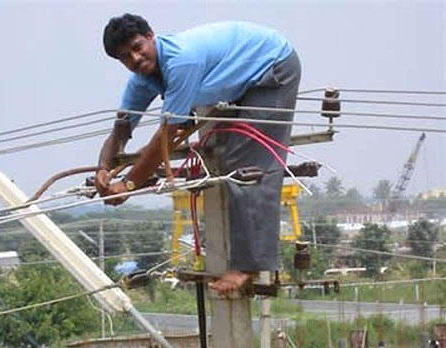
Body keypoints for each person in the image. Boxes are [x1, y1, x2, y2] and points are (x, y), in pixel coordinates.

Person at [95, 13, 301, 294]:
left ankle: (248, 266)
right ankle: (239, 252)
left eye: (137, 47)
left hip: (271, 69)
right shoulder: (142, 78)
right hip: (238, 80)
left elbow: (166, 135)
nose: (135, 59)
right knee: (217, 155)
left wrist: (129, 184)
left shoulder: (181, 62)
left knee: (246, 167)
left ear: (151, 36)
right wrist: (103, 169)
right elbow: (121, 127)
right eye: (125, 57)